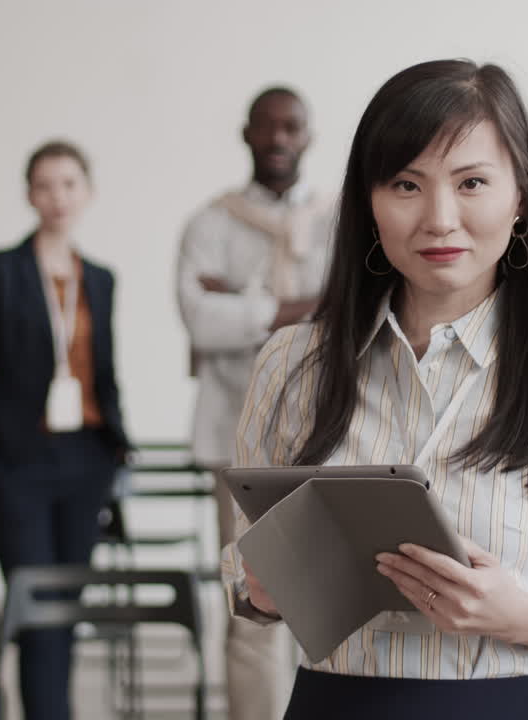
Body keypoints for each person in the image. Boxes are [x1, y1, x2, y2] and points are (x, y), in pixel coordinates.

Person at [220, 59, 528, 720]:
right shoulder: (292, 364)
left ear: (521, 196)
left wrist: (519, 616)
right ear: (368, 202)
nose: (439, 218)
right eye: (406, 184)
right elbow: (240, 574)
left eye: (472, 182)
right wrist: (262, 586)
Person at [0, 140, 129, 720]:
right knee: (35, 608)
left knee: (67, 608)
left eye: (69, 184)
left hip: (85, 460)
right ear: (29, 194)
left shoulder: (98, 278)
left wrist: (117, 452)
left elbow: (104, 372)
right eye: (45, 185)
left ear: (88, 192)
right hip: (18, 463)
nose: (58, 197)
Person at [176, 86, 332, 720]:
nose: (278, 139)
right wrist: (304, 308)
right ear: (245, 134)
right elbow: (201, 322)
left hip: (330, 440)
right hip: (237, 442)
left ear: (308, 135)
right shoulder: (210, 224)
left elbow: (357, 312)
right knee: (254, 607)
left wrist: (242, 302)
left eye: (291, 127)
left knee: (332, 604)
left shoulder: (340, 219)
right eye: (266, 128)